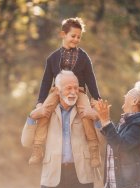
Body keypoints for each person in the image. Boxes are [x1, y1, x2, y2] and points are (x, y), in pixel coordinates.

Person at [21, 71, 102, 188]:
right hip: (53, 173)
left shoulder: (86, 110)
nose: (73, 92)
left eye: (76, 88)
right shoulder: (46, 111)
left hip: (81, 174)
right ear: (57, 90)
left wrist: (97, 119)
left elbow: (101, 140)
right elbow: (26, 142)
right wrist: (32, 116)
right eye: (68, 88)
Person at [29, 17, 101, 168]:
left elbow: (90, 78)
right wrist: (40, 101)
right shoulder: (53, 58)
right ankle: (37, 149)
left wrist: (96, 98)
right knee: (44, 113)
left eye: (79, 37)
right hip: (57, 91)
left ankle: (94, 152)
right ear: (63, 34)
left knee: (86, 114)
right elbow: (46, 81)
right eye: (73, 36)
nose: (76, 39)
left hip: (79, 90)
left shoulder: (83, 57)